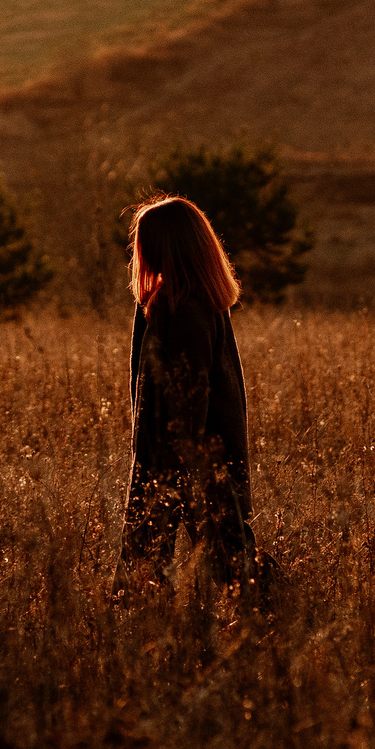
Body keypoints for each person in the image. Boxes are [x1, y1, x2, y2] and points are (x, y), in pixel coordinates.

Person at [120, 195, 259, 586]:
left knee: (147, 575)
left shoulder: (180, 308)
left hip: (185, 467)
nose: (139, 254)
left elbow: (182, 404)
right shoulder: (203, 301)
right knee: (236, 568)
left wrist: (166, 481)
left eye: (144, 244)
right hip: (211, 464)